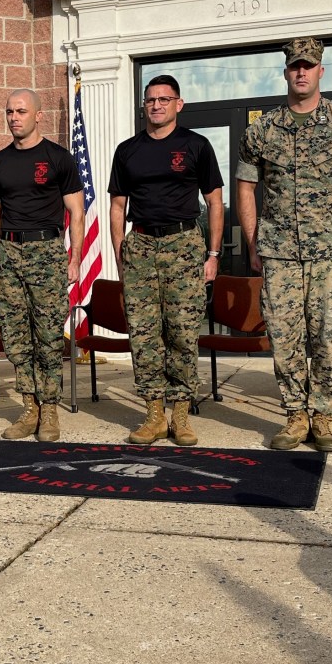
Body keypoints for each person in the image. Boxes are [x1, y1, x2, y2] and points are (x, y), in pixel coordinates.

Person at [235, 38, 332, 453]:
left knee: (328, 335)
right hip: (279, 252)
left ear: (321, 71)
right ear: (285, 72)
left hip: (330, 251)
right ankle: (296, 415)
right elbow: (245, 188)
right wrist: (252, 242)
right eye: (295, 66)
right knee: (284, 338)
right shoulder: (261, 130)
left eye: (309, 65)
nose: (301, 72)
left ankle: (323, 415)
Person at [109, 75, 224, 446]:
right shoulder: (127, 150)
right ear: (144, 105)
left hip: (183, 244)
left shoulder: (196, 145)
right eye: (150, 100)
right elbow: (117, 207)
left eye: (164, 99)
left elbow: (215, 202)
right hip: (140, 245)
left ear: (179, 104)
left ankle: (181, 415)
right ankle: (154, 415)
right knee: (143, 335)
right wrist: (121, 256)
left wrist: (213, 254)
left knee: (182, 333)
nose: (156, 105)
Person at [0, 88, 85, 441]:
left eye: (21, 111)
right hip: (9, 254)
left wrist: (74, 258)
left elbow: (76, 212)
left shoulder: (58, 158)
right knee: (15, 336)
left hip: (47, 252)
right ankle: (30, 408)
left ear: (38, 115)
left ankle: (50, 409)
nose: (14, 117)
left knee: (47, 335)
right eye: (9, 111)